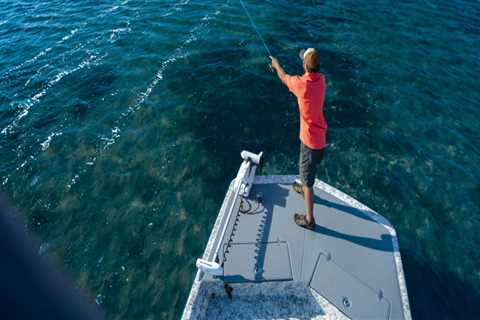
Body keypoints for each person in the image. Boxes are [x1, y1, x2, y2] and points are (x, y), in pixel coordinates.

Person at [270, 48, 327, 231]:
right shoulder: (322, 80)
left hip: (310, 143)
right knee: (307, 174)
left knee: (308, 182)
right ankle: (303, 187)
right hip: (320, 140)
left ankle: (310, 220)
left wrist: (276, 64)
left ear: (304, 65)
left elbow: (284, 77)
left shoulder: (300, 84)